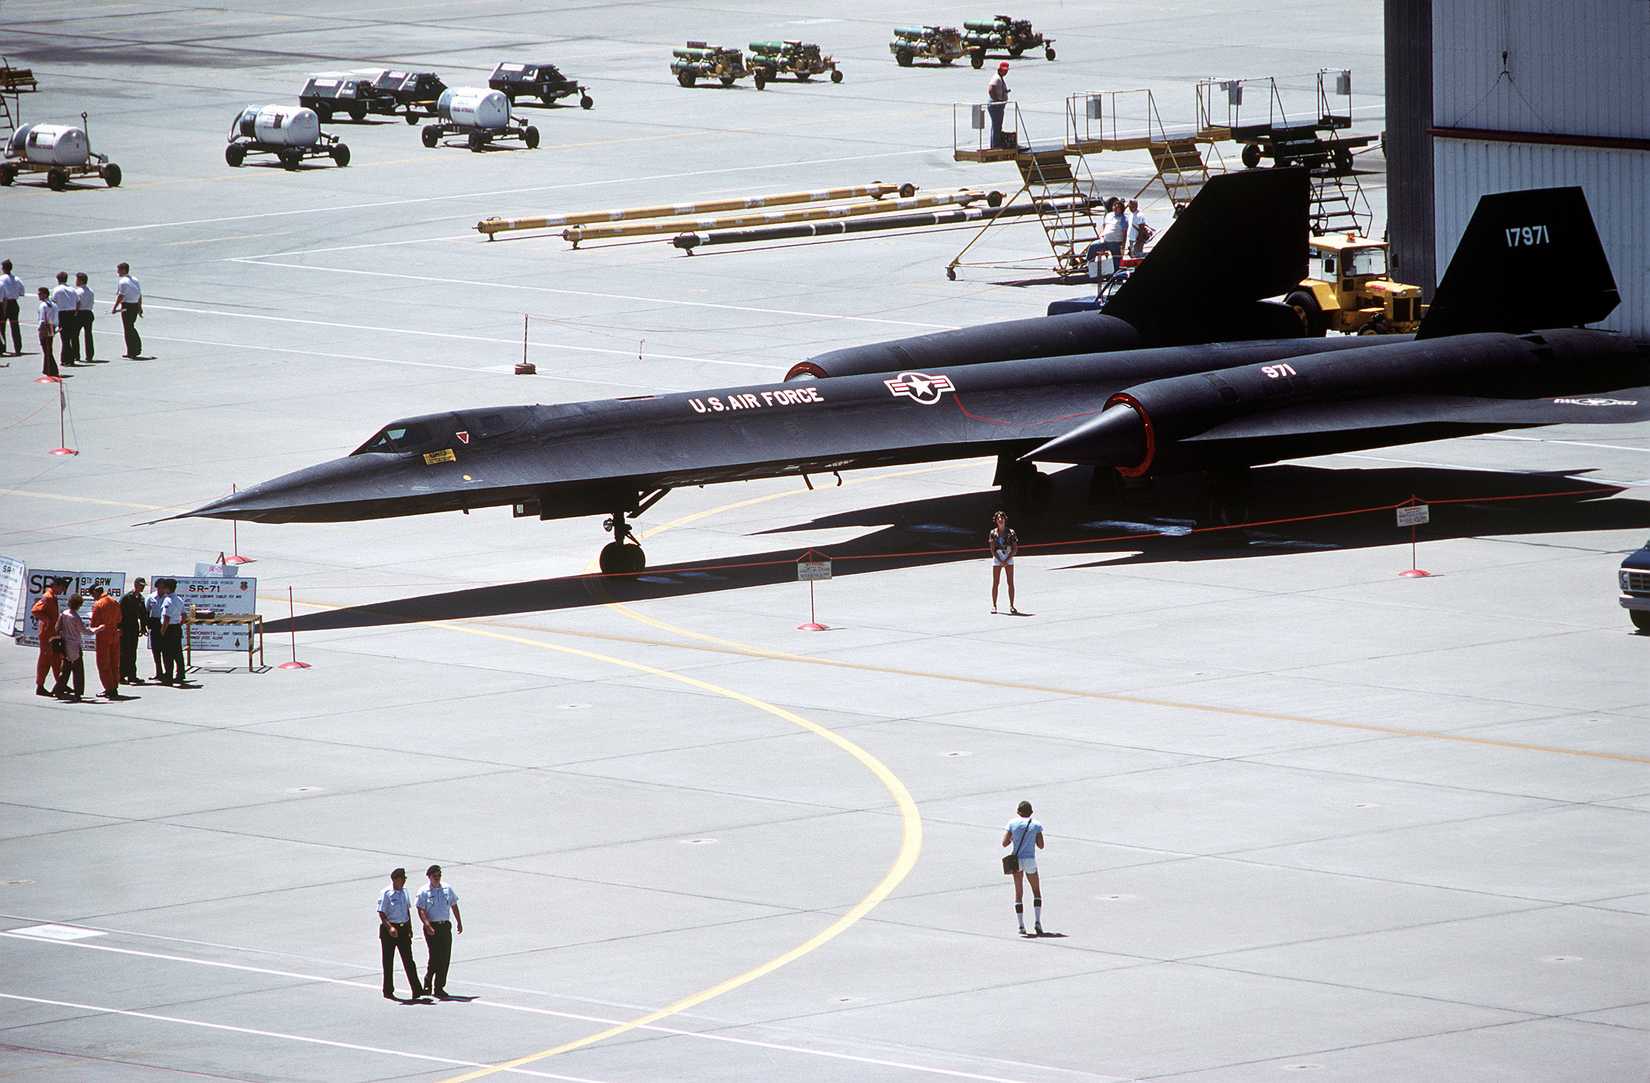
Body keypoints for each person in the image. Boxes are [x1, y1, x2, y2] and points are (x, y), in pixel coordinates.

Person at [377, 867, 423, 1000]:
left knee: (409, 961)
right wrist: (390, 928)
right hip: (389, 930)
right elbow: (381, 912)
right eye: (402, 879)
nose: (404, 881)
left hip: (403, 929)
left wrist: (410, 928)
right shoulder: (386, 893)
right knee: (388, 961)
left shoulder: (404, 892)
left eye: (405, 879)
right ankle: (388, 990)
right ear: (395, 879)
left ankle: (417, 989)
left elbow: (407, 911)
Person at [416, 864, 462, 998]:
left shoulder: (447, 888)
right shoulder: (424, 891)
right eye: (435, 876)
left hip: (445, 926)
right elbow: (421, 909)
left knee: (445, 957)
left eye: (439, 876)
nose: (437, 878)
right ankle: (428, 980)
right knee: (435, 956)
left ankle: (439, 987)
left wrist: (459, 921)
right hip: (432, 927)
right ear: (429, 877)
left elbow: (454, 905)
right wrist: (427, 925)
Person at [1001, 800, 1045, 936]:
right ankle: (1037, 921)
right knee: (1036, 891)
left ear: (1018, 811)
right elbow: (1041, 845)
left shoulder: (1012, 824)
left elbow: (1004, 843)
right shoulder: (1036, 825)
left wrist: (1015, 838)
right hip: (1030, 859)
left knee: (1019, 892)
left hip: (1017, 860)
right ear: (1031, 812)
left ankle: (1021, 925)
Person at [31, 576, 68, 696]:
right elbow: (35, 611)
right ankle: (40, 686)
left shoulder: (52, 597)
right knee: (45, 661)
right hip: (47, 635)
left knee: (57, 659)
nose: (62, 590)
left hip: (52, 634)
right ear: (56, 585)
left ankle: (60, 684)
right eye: (62, 588)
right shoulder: (48, 597)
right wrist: (47, 621)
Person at [87, 585, 123, 699]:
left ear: (95, 592)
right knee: (114, 662)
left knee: (103, 663)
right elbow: (119, 619)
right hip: (114, 634)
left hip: (103, 636)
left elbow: (93, 624)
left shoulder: (99, 604)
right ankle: (114, 686)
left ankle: (109, 688)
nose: (93, 597)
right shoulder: (114, 601)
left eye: (92, 595)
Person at [52, 594, 89, 702]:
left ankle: (58, 689)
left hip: (65, 645)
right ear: (79, 605)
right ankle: (78, 693)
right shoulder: (76, 617)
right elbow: (84, 631)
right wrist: (97, 629)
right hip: (75, 646)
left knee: (66, 670)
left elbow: (57, 628)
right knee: (78, 671)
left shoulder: (63, 614)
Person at [157, 578, 189, 685]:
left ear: (167, 588)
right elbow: (184, 616)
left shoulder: (168, 600)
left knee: (167, 654)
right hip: (176, 628)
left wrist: (162, 631)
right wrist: (178, 624)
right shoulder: (179, 599)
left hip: (169, 629)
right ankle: (180, 674)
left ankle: (168, 675)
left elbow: (166, 618)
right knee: (178, 653)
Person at [988, 510, 1020, 615]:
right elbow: (992, 549)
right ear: (996, 521)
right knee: (995, 582)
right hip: (998, 557)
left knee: (1010, 582)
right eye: (998, 519)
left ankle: (1012, 605)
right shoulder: (993, 533)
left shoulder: (1011, 532)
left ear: (1005, 519)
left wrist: (1006, 560)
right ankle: (994, 605)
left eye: (1002, 518)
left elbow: (1015, 548)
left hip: (1008, 556)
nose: (1000, 520)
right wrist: (1000, 560)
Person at [120, 577, 149, 685]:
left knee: (132, 652)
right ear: (135, 584)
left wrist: (143, 627)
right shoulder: (127, 597)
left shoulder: (140, 598)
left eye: (143, 586)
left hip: (133, 627)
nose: (142, 588)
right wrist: (119, 627)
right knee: (124, 652)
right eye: (140, 585)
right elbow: (119, 613)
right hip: (125, 626)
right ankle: (121, 675)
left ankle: (132, 675)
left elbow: (143, 614)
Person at [113, 262, 142, 358]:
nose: (118, 272)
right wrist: (139, 306)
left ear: (123, 270)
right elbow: (139, 294)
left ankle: (132, 350)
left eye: (119, 270)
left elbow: (121, 295)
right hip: (134, 305)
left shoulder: (123, 281)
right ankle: (135, 348)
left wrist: (115, 307)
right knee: (131, 326)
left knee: (128, 328)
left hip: (127, 306)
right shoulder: (135, 279)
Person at [50, 271, 79, 366]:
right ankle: (69, 357)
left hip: (62, 314)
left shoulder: (56, 289)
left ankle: (67, 358)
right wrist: (76, 312)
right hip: (72, 313)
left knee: (64, 337)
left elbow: (53, 302)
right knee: (70, 336)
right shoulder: (72, 289)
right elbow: (78, 302)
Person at [0, 258, 23, 355]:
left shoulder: (1, 279)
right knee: (15, 326)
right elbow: (21, 292)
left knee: (1, 327)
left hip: (3, 303)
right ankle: (18, 348)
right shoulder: (17, 279)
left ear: (3, 268)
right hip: (14, 303)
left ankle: (2, 348)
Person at [146, 579, 167, 681]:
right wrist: (146, 624)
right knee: (156, 650)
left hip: (164, 623)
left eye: (163, 587)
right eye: (159, 587)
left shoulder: (168, 597)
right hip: (154, 623)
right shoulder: (151, 597)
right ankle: (158, 672)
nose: (161, 589)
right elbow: (146, 610)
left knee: (166, 650)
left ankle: (168, 672)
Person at [36, 286, 59, 379]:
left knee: (46, 349)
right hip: (51, 326)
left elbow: (42, 319)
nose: (38, 295)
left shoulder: (43, 305)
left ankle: (51, 369)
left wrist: (39, 329)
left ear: (45, 294)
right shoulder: (53, 304)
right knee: (49, 348)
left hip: (45, 327)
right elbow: (56, 318)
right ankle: (48, 368)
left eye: (40, 294)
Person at [986, 61, 1010, 149]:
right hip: (995, 105)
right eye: (1004, 70)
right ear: (999, 69)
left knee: (997, 125)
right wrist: (997, 100)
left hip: (998, 105)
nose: (1005, 72)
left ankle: (995, 144)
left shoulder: (1000, 78)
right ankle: (995, 145)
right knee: (997, 125)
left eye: (1006, 70)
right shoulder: (996, 78)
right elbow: (990, 89)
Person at [73, 272, 95, 363]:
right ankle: (89, 355)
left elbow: (76, 303)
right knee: (88, 335)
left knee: (75, 335)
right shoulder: (90, 291)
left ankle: (76, 355)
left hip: (80, 313)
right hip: (89, 312)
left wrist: (74, 313)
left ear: (80, 280)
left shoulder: (77, 291)